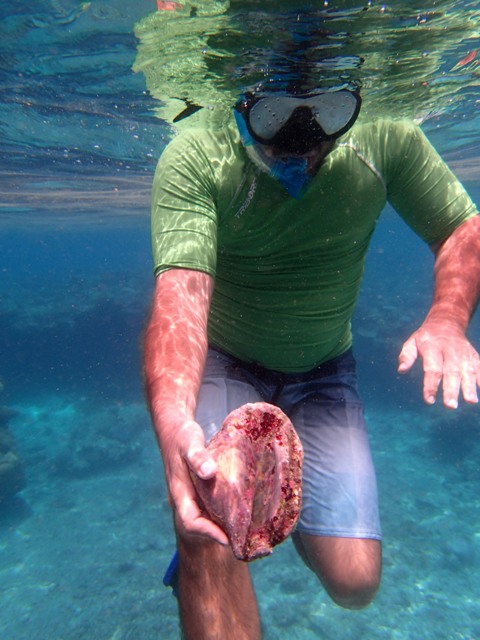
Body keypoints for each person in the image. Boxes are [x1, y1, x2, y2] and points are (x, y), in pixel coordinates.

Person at [143, 79, 480, 639]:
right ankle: (204, 551)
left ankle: (280, 498)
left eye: (329, 112)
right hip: (228, 360)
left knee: (356, 583)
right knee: (208, 520)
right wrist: (176, 420)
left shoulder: (386, 135)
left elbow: (460, 227)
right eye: (275, 117)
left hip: (324, 369)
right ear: (243, 104)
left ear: (353, 100)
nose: (305, 141)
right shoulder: (199, 152)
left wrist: (447, 317)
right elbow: (180, 302)